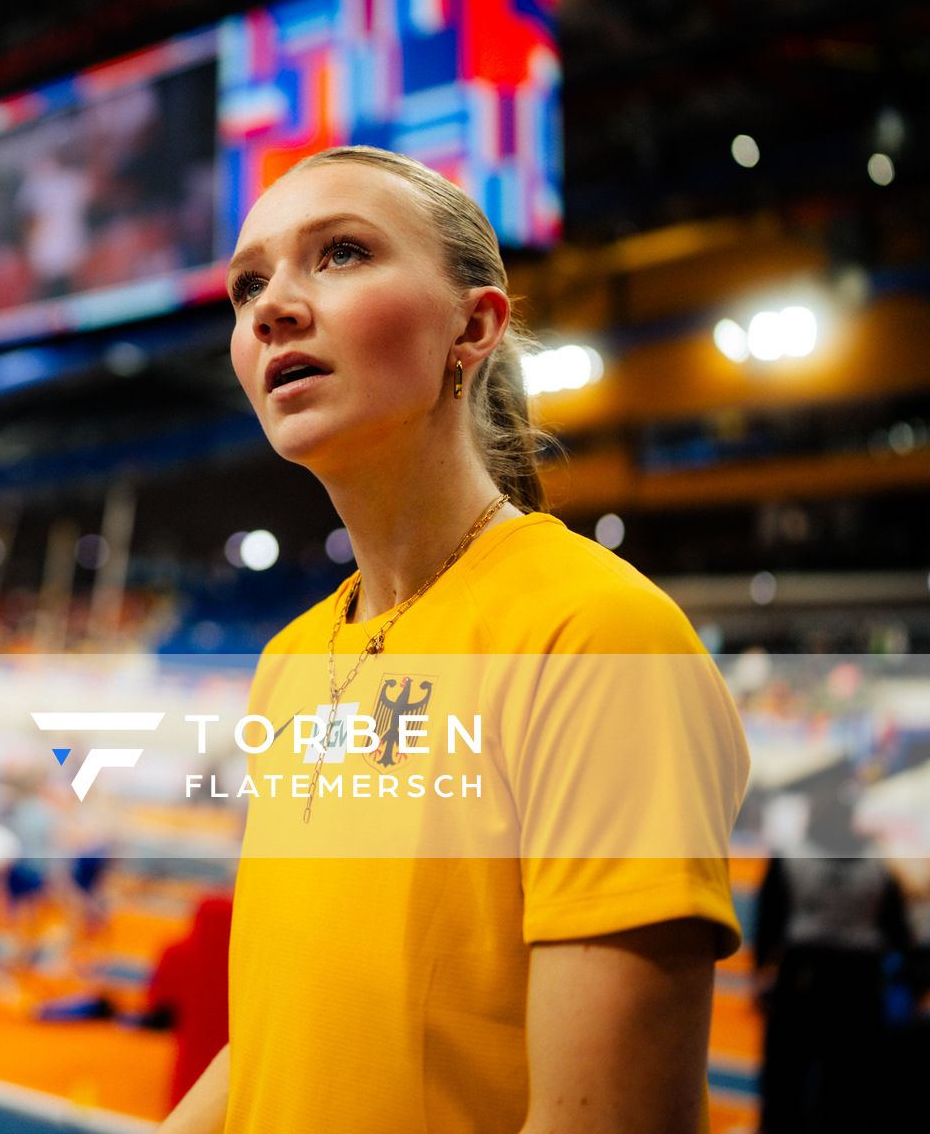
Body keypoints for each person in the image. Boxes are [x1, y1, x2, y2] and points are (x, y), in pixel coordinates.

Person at [160, 146, 751, 1133]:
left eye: (340, 252)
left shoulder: (595, 636)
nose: (271, 306)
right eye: (248, 282)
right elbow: (285, 1028)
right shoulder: (292, 662)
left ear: (472, 326)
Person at [752, 783, 915, 1132]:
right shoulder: (877, 863)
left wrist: (761, 971)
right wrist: (912, 984)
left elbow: (769, 921)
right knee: (850, 1085)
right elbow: (898, 930)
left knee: (786, 1082)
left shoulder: (791, 855)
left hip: (803, 977)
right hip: (860, 980)